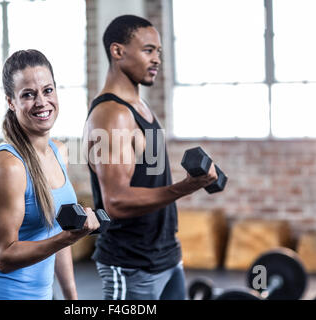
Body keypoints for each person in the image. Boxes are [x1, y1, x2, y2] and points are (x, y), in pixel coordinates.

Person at [83, 15, 218, 300]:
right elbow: (116, 202)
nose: (157, 59)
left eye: (158, 51)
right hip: (131, 265)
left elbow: (151, 180)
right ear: (118, 51)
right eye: (148, 50)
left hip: (166, 255)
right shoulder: (112, 114)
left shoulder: (141, 107)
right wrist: (186, 187)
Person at [0, 49, 99, 300]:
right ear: (11, 102)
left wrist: (72, 299)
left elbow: (58, 233)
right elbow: (4, 257)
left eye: (48, 90)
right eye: (28, 95)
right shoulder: (7, 165)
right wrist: (67, 238)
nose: (41, 102)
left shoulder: (59, 152)